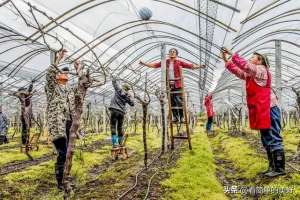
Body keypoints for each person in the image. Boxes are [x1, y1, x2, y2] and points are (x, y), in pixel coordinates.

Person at [221, 48, 285, 177]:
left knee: (273, 136)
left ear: (260, 60)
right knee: (266, 138)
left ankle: (279, 169)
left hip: (269, 109)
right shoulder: (252, 74)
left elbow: (245, 66)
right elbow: (238, 71)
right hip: (262, 109)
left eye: (253, 57)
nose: (250, 58)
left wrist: (232, 54)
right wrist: (225, 60)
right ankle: (272, 167)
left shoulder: (261, 70)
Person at [140, 48, 205, 122]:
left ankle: (181, 117)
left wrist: (200, 66)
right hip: (169, 85)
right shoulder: (165, 62)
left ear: (176, 54)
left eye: (173, 52)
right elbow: (154, 65)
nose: (172, 53)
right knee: (171, 102)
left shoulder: (179, 62)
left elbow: (190, 66)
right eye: (170, 52)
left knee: (179, 101)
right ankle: (175, 117)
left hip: (178, 84)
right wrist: (144, 63)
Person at [45, 49, 77, 190]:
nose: (65, 75)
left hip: (66, 126)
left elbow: (77, 96)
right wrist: (58, 59)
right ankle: (60, 182)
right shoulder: (52, 88)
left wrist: (78, 69)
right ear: (58, 76)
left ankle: (65, 179)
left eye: (67, 73)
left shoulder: (68, 91)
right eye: (62, 72)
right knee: (63, 153)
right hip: (57, 126)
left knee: (67, 153)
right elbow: (49, 74)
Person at [109, 77, 134, 148]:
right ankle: (120, 142)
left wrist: (114, 76)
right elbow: (132, 104)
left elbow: (114, 82)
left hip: (114, 110)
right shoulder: (127, 96)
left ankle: (115, 144)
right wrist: (131, 97)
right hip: (121, 112)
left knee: (113, 126)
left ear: (123, 87)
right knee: (120, 127)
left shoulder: (119, 90)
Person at [13, 81, 34, 146]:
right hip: (24, 114)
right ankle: (25, 141)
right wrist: (31, 85)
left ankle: (25, 141)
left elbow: (29, 91)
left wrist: (31, 85)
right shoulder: (23, 96)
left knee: (26, 128)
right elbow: (28, 91)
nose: (24, 93)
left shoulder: (26, 96)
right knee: (25, 128)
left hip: (27, 114)